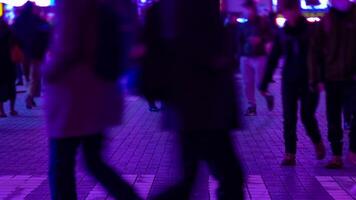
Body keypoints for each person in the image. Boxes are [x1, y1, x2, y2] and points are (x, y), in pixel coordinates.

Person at [140, 0, 245, 199]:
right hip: (201, 102)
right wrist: (220, 57)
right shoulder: (185, 8)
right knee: (226, 177)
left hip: (191, 103)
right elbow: (200, 48)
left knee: (195, 178)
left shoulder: (164, 9)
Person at [44, 0, 141, 199]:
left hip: (71, 93)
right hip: (101, 89)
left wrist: (47, 71)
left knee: (62, 164)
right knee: (94, 161)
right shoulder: (119, 4)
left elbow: (67, 46)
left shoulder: (71, 4)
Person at [259, 0, 325, 166]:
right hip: (289, 79)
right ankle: (289, 153)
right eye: (286, 11)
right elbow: (273, 58)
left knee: (307, 116)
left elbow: (320, 56)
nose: (289, 14)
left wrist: (320, 78)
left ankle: (317, 141)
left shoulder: (311, 30)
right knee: (289, 117)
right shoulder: (282, 33)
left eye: (291, 10)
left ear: (297, 10)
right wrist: (265, 81)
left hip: (309, 79)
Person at [309, 0, 356, 169]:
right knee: (333, 117)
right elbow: (315, 51)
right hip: (332, 77)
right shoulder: (327, 20)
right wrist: (316, 78)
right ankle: (337, 155)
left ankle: (353, 149)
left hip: (352, 78)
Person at [237, 0, 274, 116]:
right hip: (245, 57)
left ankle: (268, 95)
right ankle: (251, 106)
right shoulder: (243, 25)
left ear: (253, 9)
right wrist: (239, 54)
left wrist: (261, 40)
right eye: (245, 9)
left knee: (260, 83)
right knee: (247, 83)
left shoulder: (263, 23)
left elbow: (270, 36)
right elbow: (239, 40)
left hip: (259, 56)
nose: (246, 11)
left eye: (248, 9)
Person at [12, 2, 51, 109]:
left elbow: (13, 36)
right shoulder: (38, 21)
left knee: (26, 76)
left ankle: (30, 96)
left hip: (22, 54)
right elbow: (47, 34)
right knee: (34, 77)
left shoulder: (18, 21)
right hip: (36, 54)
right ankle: (29, 96)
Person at [0, 18, 19, 118]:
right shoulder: (11, 34)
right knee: (11, 86)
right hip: (10, 63)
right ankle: (12, 109)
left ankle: (2, 111)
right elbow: (18, 45)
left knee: (1, 87)